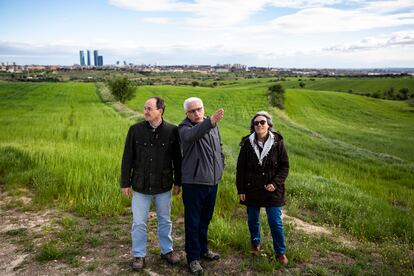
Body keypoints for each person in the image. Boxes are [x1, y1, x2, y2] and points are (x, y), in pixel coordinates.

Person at [120, 96, 182, 270]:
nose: (145, 111)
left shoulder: (172, 130)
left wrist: (179, 182)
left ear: (160, 111)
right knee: (139, 222)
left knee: (165, 220)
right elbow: (127, 158)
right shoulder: (135, 130)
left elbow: (177, 159)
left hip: (163, 185)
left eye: (149, 108)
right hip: (140, 185)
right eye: (145, 108)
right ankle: (139, 255)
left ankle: (167, 251)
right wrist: (125, 182)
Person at [236, 111, 289, 266]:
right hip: (252, 188)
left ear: (269, 125)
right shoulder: (247, 143)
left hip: (273, 190)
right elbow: (241, 169)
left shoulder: (278, 143)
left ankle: (280, 252)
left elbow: (284, 167)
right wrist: (241, 190)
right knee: (253, 219)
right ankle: (255, 243)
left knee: (275, 221)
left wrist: (276, 183)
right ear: (253, 126)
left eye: (262, 122)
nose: (259, 125)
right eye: (256, 123)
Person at [178, 97, 225, 275]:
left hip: (212, 182)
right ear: (186, 114)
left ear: (203, 108)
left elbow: (218, 148)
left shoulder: (211, 125)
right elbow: (193, 135)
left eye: (199, 109)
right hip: (194, 183)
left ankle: (203, 250)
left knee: (205, 219)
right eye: (192, 111)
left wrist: (221, 166)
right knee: (193, 222)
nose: (197, 113)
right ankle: (193, 259)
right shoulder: (184, 128)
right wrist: (211, 122)